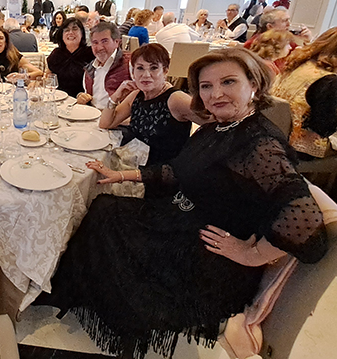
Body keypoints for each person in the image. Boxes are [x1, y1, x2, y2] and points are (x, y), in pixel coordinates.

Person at [44, 47, 328, 359]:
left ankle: (100, 305)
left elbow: (307, 222)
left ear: (254, 85)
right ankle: (78, 291)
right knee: (103, 209)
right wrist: (122, 175)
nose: (216, 94)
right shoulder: (220, 126)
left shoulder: (259, 143)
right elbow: (178, 171)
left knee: (108, 221)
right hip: (181, 218)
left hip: (204, 255)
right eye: (206, 86)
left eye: (229, 82)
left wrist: (252, 254)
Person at [98, 43, 204, 164]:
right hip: (138, 163)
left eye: (153, 68)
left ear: (165, 71)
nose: (146, 75)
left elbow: (214, 122)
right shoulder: (137, 96)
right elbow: (105, 123)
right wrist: (115, 96)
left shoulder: (175, 99)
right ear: (133, 71)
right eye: (140, 68)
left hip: (164, 170)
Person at [272, 27, 337, 159]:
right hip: (297, 147)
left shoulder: (298, 63)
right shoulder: (329, 80)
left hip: (270, 134)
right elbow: (323, 128)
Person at [76, 21, 130, 110]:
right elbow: (87, 96)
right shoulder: (89, 69)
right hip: (92, 114)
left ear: (116, 42)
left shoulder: (129, 64)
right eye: (95, 42)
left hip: (118, 117)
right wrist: (82, 97)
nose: (100, 47)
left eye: (104, 41)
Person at [46, 18, 95, 98]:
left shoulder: (90, 53)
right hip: (59, 98)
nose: (70, 33)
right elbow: (48, 76)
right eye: (67, 30)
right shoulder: (56, 54)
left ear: (82, 33)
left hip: (84, 99)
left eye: (74, 29)